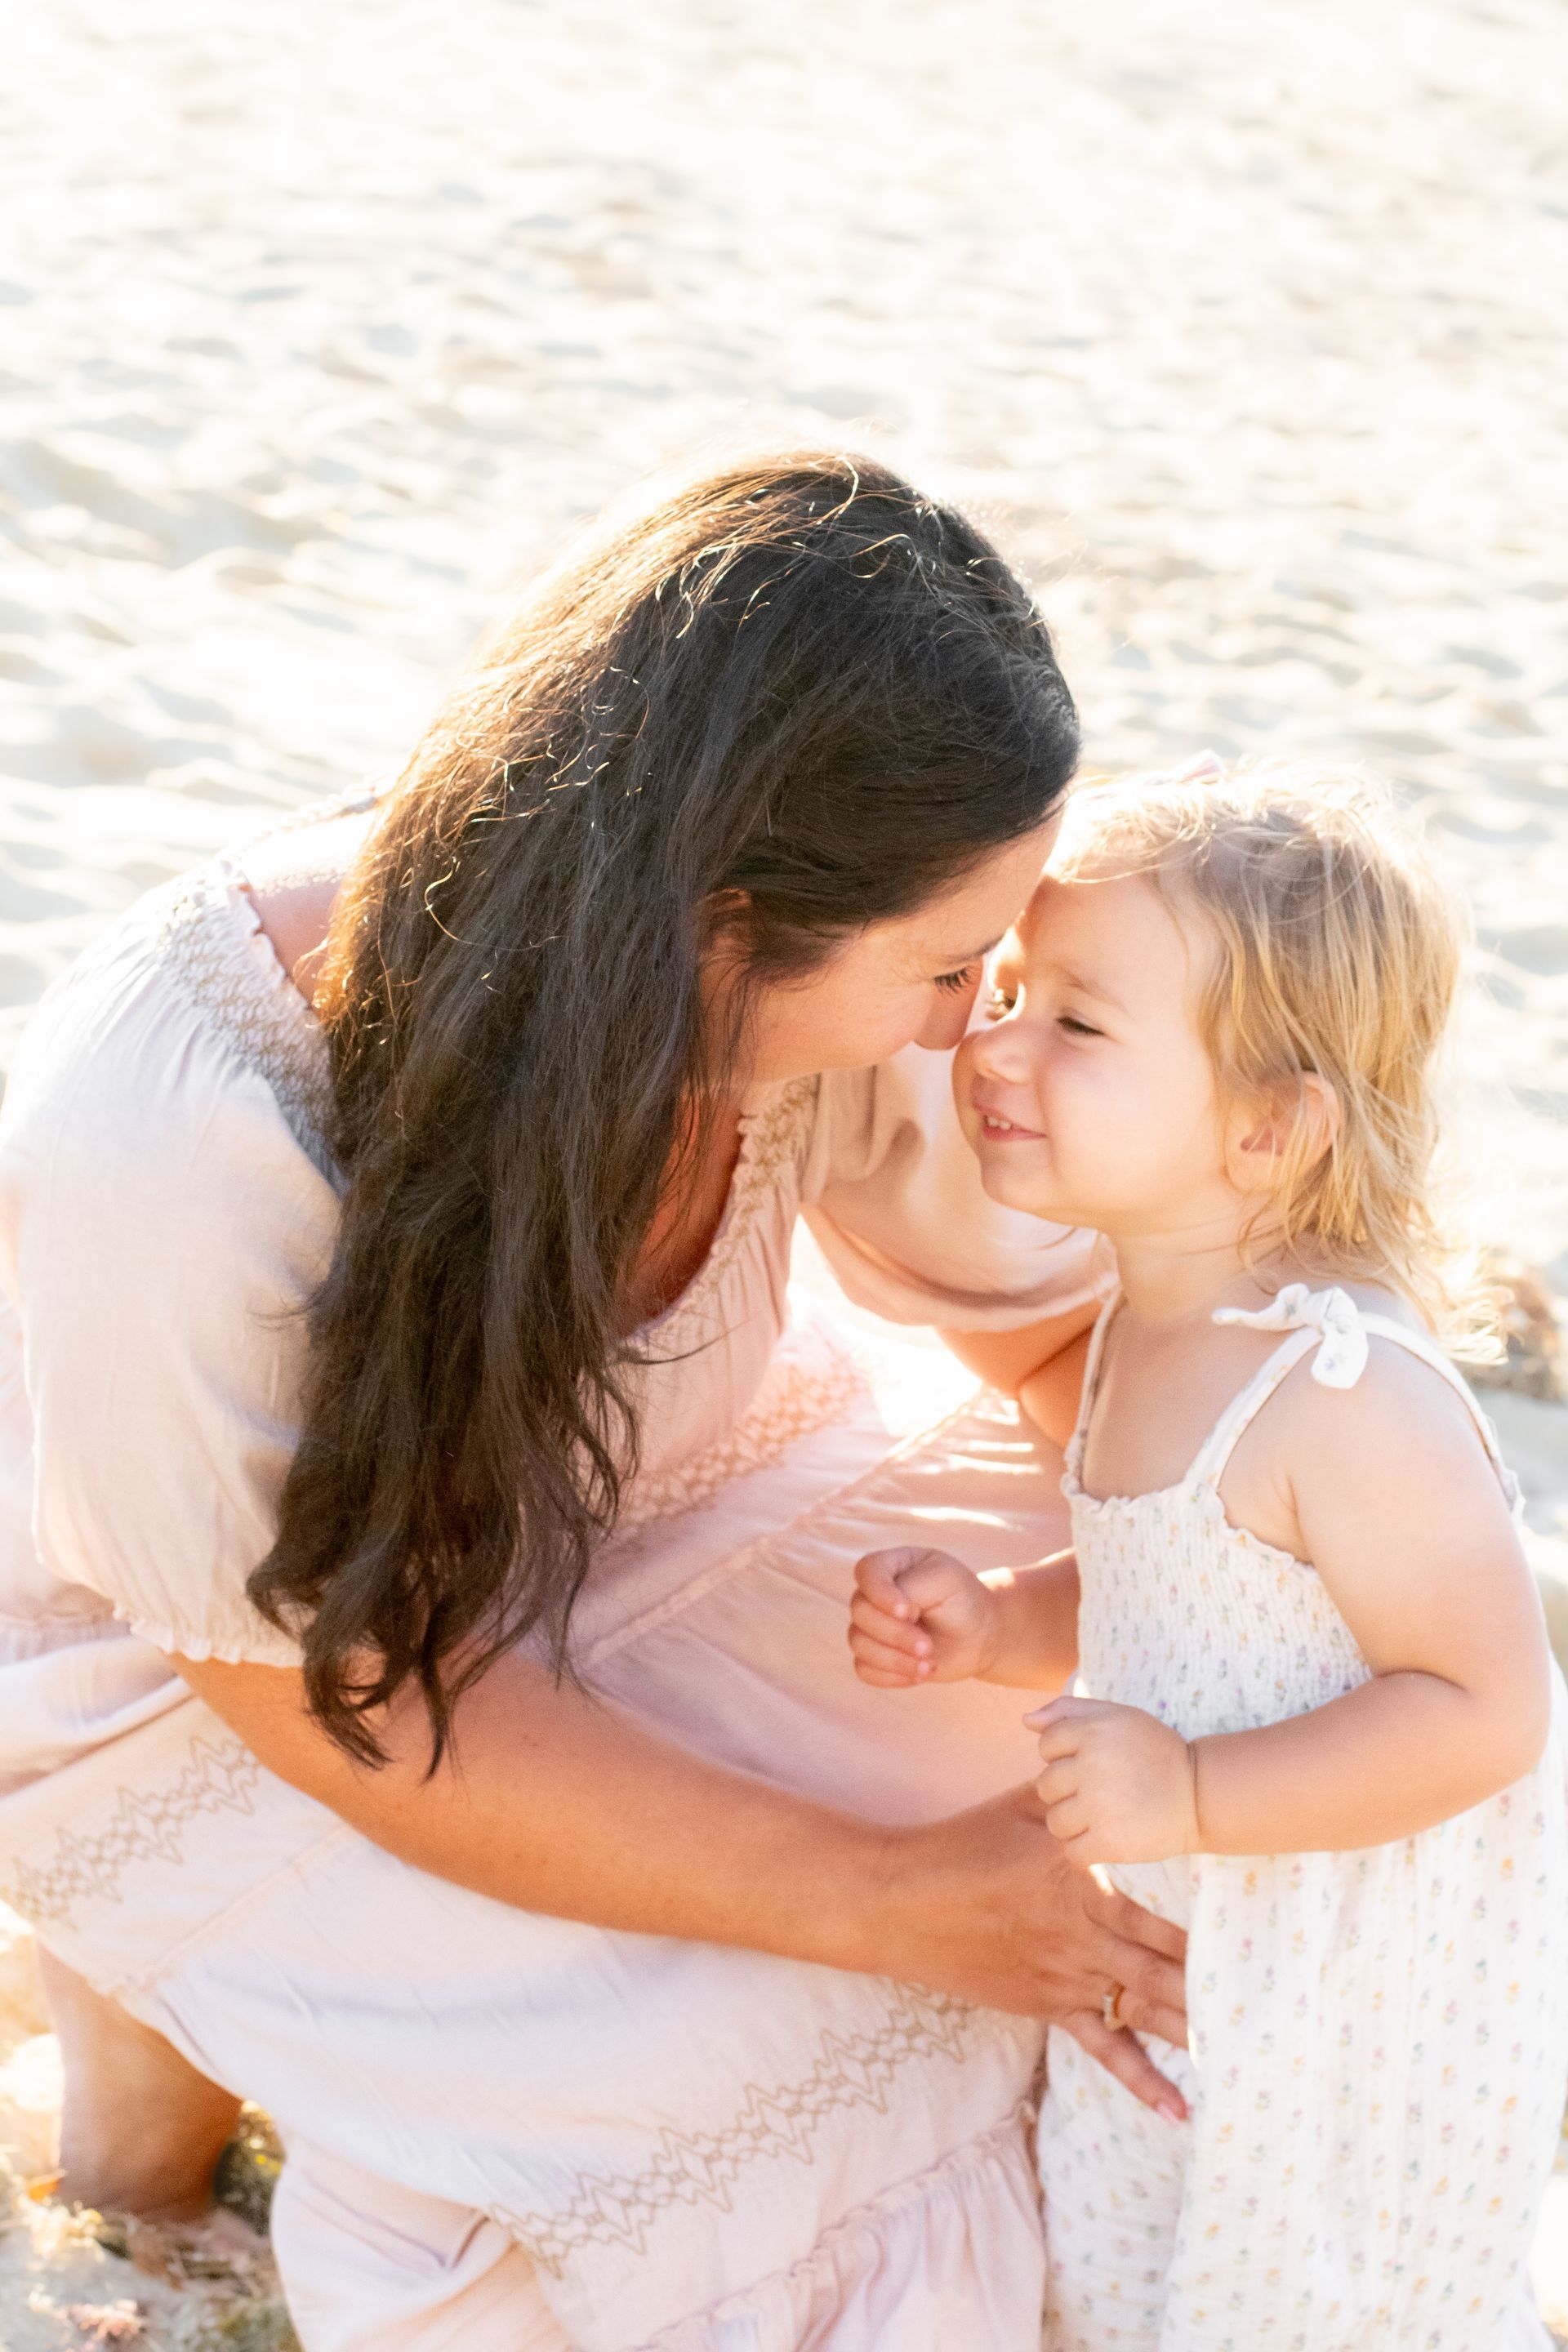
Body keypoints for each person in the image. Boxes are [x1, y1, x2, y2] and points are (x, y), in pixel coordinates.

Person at [0, 451, 1187, 2352]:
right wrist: (892, 1897)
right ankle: (157, 2034)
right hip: (224, 1686)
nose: (976, 1024)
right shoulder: (179, 1129)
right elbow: (342, 1695)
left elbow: (1066, 1348)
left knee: (1117, 1771)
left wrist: (1219, 1621)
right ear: (723, 916)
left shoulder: (755, 1006)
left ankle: (186, 2044)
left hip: (640, 1504)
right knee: (740, 2081)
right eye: (953, 967)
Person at [848, 761, 1568, 2349]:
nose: (999, 1044)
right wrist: (993, 1622)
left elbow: (1484, 1707)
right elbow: (1168, 1590)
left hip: (1354, 1982)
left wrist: (1191, 1795)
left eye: (1078, 1024)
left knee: (1319, 2289)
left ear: (1267, 1128)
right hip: (1213, 1930)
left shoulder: (1339, 1390)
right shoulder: (1140, 1321)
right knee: (1146, 2254)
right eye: (1012, 989)